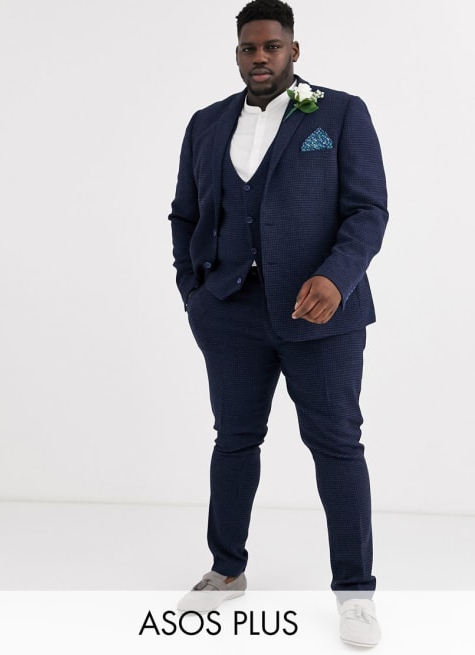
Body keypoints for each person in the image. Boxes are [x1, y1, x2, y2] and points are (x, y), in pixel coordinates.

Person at [168, 0, 388, 647]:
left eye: (271, 46)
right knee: (234, 439)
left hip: (321, 316)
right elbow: (184, 214)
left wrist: (336, 277)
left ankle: (355, 592)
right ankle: (226, 569)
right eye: (248, 47)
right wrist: (194, 294)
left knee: (337, 445)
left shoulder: (339, 113)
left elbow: (368, 210)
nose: (259, 57)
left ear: (294, 49)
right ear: (237, 53)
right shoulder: (206, 124)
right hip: (229, 314)